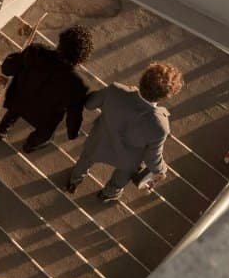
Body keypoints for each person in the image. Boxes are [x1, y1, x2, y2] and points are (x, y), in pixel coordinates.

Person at [65, 62, 183, 202]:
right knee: (123, 175)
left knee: (86, 159)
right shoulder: (161, 126)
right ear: (166, 96)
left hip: (99, 142)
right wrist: (161, 171)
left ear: (143, 79)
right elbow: (153, 156)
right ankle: (109, 193)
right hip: (127, 159)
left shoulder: (115, 90)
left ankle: (74, 180)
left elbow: (90, 105)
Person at [0, 25, 94, 153]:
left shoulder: (36, 52)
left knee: (14, 110)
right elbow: (74, 114)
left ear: (61, 41)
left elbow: (7, 68)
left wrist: (18, 56)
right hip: (44, 118)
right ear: (80, 59)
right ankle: (30, 145)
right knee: (46, 133)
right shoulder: (79, 85)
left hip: (19, 100)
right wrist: (73, 133)